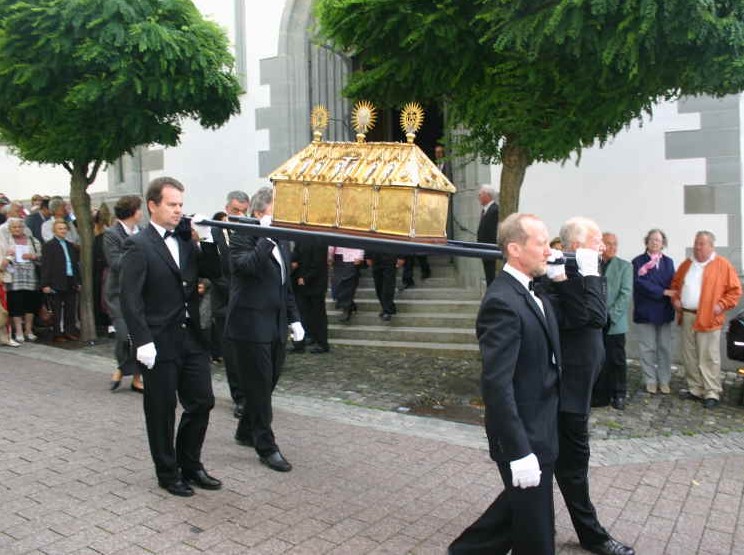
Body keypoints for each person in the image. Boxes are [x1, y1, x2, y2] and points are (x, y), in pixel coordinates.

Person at [449, 213, 561, 555]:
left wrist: (576, 280)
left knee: (513, 515)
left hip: (543, 427)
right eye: (540, 243)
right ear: (515, 249)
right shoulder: (502, 301)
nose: (549, 250)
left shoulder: (532, 288)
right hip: (523, 436)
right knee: (538, 537)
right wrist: (519, 451)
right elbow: (497, 385)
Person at [119, 176, 221, 497]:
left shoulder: (187, 241)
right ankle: (167, 472)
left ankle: (190, 464)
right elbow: (129, 298)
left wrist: (206, 239)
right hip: (158, 341)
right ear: (153, 205)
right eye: (172, 204)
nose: (179, 211)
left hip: (190, 338)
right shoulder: (138, 245)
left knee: (202, 401)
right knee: (161, 410)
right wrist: (141, 340)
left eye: (181, 205)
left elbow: (215, 272)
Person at [545, 217, 635, 555]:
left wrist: (587, 275)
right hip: (565, 392)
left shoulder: (581, 274)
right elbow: (596, 316)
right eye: (595, 240)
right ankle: (592, 536)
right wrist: (582, 275)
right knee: (570, 468)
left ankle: (517, 527)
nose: (602, 246)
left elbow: (600, 317)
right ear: (574, 246)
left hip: (579, 392)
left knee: (555, 468)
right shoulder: (559, 277)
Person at [226, 186, 304, 472]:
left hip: (275, 323)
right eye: (276, 209)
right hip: (249, 324)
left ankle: (245, 429)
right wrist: (265, 238)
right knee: (259, 387)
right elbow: (245, 267)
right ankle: (266, 446)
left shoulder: (280, 239)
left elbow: (285, 284)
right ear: (260, 212)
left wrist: (294, 318)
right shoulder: (243, 235)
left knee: (268, 382)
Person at [670, 231, 742, 409]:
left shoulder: (722, 265)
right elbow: (675, 285)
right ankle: (695, 388)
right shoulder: (687, 264)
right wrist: (676, 299)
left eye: (701, 243)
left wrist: (721, 305)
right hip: (687, 315)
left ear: (711, 246)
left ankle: (711, 391)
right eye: (696, 243)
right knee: (690, 354)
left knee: (709, 356)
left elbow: (735, 290)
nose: (697, 247)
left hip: (709, 317)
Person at [210, 191, 250, 418]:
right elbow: (214, 270)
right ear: (227, 209)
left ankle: (251, 392)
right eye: (235, 211)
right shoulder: (214, 232)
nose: (239, 215)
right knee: (232, 354)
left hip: (245, 302)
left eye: (243, 210)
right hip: (224, 301)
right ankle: (239, 398)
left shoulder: (249, 231)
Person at [104, 195, 144, 393]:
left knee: (138, 333)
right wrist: (138, 256)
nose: (142, 213)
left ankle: (136, 377)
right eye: (140, 209)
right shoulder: (112, 233)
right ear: (133, 211)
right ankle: (122, 367)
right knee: (123, 334)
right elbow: (116, 263)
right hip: (118, 292)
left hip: (139, 292)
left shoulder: (142, 232)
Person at [631, 229, 676, 394]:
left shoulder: (668, 262)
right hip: (646, 311)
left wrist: (673, 293)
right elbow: (640, 283)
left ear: (663, 243)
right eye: (652, 239)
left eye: (658, 240)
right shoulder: (637, 262)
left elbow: (673, 281)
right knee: (647, 347)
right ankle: (650, 379)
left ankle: (664, 380)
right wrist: (663, 292)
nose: (655, 242)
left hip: (664, 311)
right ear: (646, 242)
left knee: (665, 348)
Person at [592, 232, 633, 410]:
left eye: (615, 244)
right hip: (594, 321)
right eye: (609, 244)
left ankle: (619, 393)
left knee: (616, 359)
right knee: (598, 359)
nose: (613, 247)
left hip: (614, 323)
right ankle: (599, 394)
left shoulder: (624, 266)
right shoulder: (593, 263)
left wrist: (610, 316)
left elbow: (625, 295)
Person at [1, 218, 42, 343]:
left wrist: (33, 256)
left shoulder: (33, 240)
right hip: (14, 277)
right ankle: (18, 331)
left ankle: (28, 330)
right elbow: (3, 262)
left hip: (31, 276)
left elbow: (41, 257)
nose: (17, 229)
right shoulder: (6, 242)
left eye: (19, 227)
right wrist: (8, 256)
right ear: (10, 229)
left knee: (30, 304)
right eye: (14, 227)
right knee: (16, 304)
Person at [40, 219, 80, 342]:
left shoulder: (70, 245)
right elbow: (46, 265)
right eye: (60, 228)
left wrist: (78, 281)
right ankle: (57, 333)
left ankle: (69, 331)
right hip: (56, 280)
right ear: (54, 230)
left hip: (70, 279)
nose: (63, 231)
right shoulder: (49, 245)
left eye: (64, 228)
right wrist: (45, 284)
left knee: (70, 308)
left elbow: (75, 265)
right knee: (57, 309)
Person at [291, 239, 330, 352]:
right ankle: (308, 337)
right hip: (301, 283)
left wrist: (306, 277)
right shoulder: (301, 239)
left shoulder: (320, 240)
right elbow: (296, 253)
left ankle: (322, 343)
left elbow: (318, 263)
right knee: (304, 313)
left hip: (315, 284)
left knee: (318, 314)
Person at [329, 246, 364, 322]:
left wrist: (359, 255)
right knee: (337, 282)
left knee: (348, 283)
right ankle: (350, 304)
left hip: (352, 256)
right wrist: (329, 254)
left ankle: (346, 309)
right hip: (338, 255)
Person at [367, 251, 403, 321]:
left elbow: (399, 240)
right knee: (378, 286)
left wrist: (401, 256)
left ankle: (387, 310)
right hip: (376, 258)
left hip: (390, 258)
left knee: (388, 286)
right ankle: (388, 307)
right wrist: (368, 256)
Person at [477, 185, 499, 286]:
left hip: (490, 249)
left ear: (487, 195)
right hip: (484, 250)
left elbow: (493, 232)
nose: (479, 197)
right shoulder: (485, 210)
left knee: (491, 277)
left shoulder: (494, 210)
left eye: (480, 194)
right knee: (489, 276)